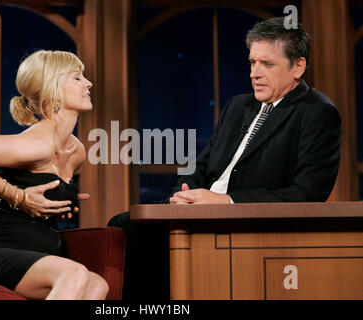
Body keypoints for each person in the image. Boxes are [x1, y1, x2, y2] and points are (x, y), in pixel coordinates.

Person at [109, 17, 342, 299]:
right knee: (124, 225)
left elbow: (307, 193)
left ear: (298, 67)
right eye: (252, 62)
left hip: (246, 225)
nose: (254, 73)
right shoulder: (239, 105)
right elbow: (203, 164)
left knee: (135, 233)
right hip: (198, 212)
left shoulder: (317, 112)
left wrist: (226, 202)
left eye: (266, 64)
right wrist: (184, 192)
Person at [0, 50, 109, 300]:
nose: (89, 83)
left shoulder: (76, 151)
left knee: (98, 285)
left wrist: (63, 201)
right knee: (75, 274)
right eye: (77, 78)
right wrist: (18, 196)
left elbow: (40, 189)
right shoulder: (38, 142)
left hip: (39, 253)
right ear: (52, 89)